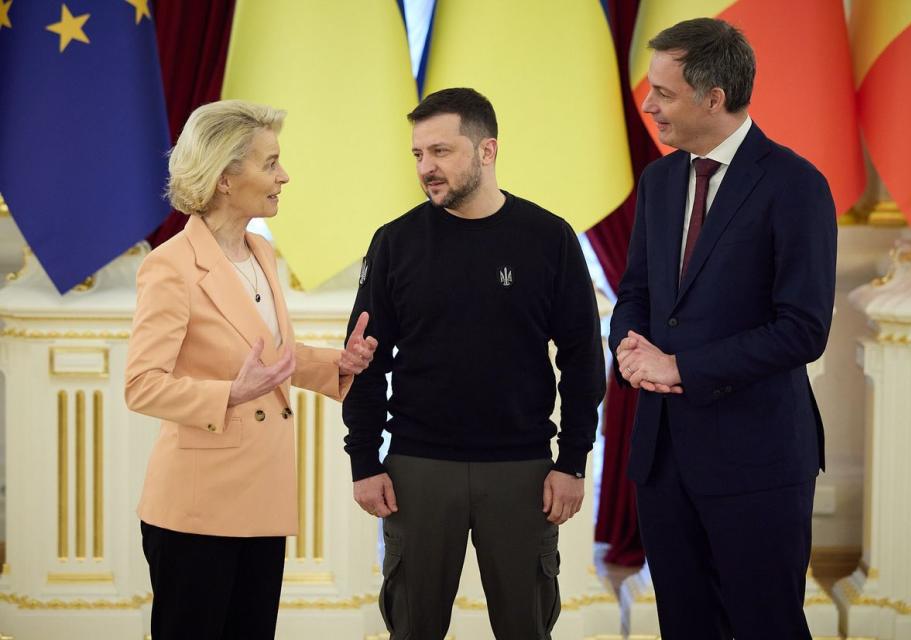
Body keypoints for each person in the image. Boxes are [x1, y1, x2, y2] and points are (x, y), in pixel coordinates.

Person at [343, 87, 605, 640]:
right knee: (412, 629)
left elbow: (583, 359)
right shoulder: (394, 243)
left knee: (525, 628)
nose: (426, 168)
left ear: (487, 151)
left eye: (440, 152)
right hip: (416, 468)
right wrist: (364, 461)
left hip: (523, 470)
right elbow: (363, 360)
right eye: (418, 155)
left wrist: (573, 460)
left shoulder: (549, 238)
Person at [610, 19, 837, 640]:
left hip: (757, 460)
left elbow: (802, 329)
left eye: (663, 92)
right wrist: (629, 348)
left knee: (766, 625)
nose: (649, 105)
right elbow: (636, 294)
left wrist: (679, 367)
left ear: (714, 98)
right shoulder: (658, 180)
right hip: (662, 459)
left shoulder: (796, 186)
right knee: (684, 625)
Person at [124, 99, 377, 639]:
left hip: (261, 500)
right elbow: (141, 385)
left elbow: (266, 357)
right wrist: (228, 395)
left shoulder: (259, 251)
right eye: (270, 163)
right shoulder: (168, 267)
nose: (283, 176)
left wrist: (340, 363)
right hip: (196, 508)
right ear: (223, 177)